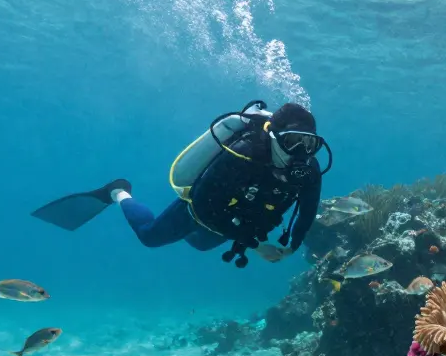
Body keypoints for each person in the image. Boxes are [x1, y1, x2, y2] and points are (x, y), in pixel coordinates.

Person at [32, 102, 328, 267]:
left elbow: (307, 208)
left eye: (309, 144)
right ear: (275, 136)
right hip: (204, 207)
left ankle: (188, 231)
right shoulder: (243, 154)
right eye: (293, 142)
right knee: (150, 237)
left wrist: (294, 245)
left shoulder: (309, 167)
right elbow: (203, 205)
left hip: (240, 218)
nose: (301, 153)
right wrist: (255, 245)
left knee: (201, 244)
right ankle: (118, 191)